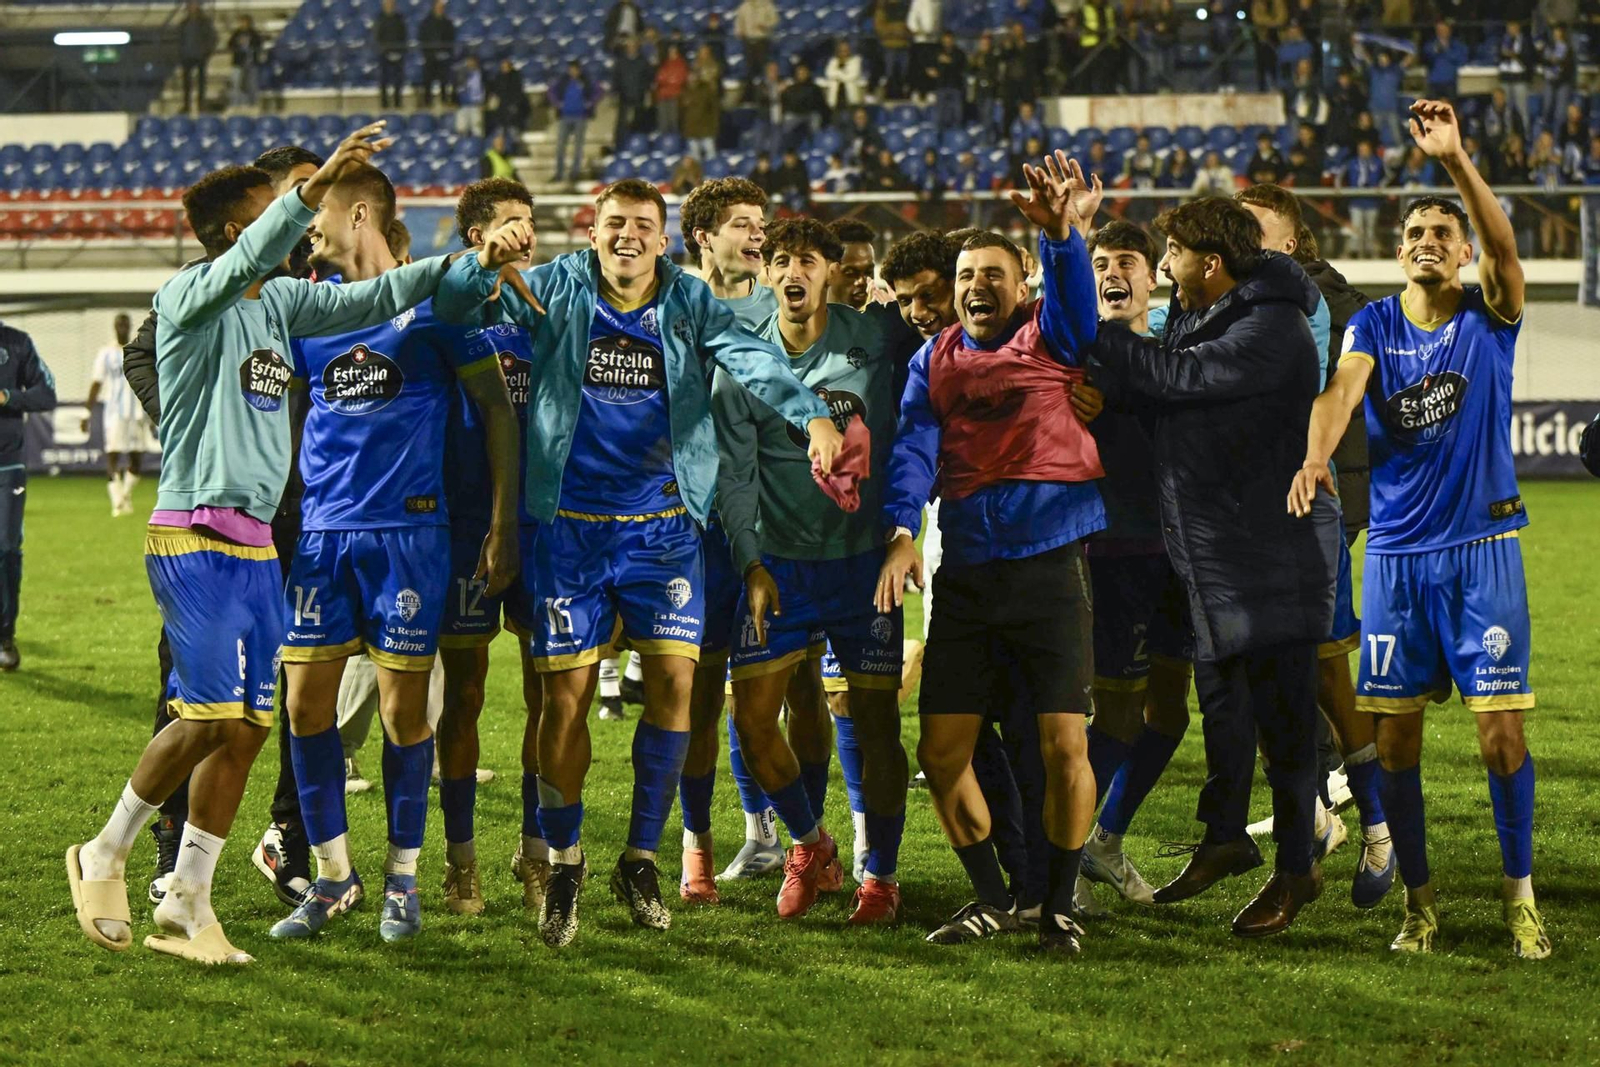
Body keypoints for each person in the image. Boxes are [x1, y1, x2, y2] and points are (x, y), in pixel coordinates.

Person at [64, 123, 505, 966]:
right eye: (277, 211)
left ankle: (189, 902)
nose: (301, 226)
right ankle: (107, 848)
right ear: (241, 230)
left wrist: (470, 264)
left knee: (247, 729)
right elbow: (242, 261)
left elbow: (379, 296)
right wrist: (316, 184)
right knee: (207, 713)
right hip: (194, 533)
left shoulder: (283, 304)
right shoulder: (191, 296)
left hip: (260, 545)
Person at [434, 178, 844, 948]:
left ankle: (642, 859)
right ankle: (563, 863)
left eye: (643, 225)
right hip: (572, 530)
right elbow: (458, 306)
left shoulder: (688, 304)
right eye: (614, 223)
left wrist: (811, 413)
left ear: (664, 240)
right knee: (564, 702)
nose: (628, 235)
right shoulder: (555, 285)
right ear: (592, 232)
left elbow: (754, 359)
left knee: (676, 691)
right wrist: (479, 262)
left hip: (663, 529)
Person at [1289, 100, 1548, 959]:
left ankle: (1520, 898)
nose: (1430, 238)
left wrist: (1456, 163)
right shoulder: (1373, 324)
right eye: (1417, 232)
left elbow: (1509, 251)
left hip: (1483, 554)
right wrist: (1317, 454)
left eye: (1445, 230)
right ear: (1399, 251)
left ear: (1464, 249)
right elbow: (1342, 391)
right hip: (1397, 562)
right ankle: (1421, 904)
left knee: (1501, 736)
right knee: (1395, 742)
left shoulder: (1489, 316)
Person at [268, 162, 521, 943]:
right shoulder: (306, 319)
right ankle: (335, 878)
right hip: (322, 537)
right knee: (304, 706)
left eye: (321, 216)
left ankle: (402, 882)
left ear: (363, 215)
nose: (311, 231)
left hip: (411, 536)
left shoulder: (434, 306)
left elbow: (498, 416)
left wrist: (503, 523)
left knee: (404, 710)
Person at [1091, 196, 1339, 940]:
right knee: (1228, 713)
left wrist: (1103, 339)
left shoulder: (1274, 325)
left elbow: (1178, 380)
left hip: (1268, 560)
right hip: (1212, 560)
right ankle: (1225, 838)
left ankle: (1296, 869)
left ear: (1211, 262)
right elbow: (1168, 398)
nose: (1164, 264)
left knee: (1288, 735)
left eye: (1172, 252)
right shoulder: (1210, 314)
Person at [876, 154, 1102, 954]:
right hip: (966, 574)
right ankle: (994, 899)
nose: (977, 286)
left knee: (1062, 744)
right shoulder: (932, 359)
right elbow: (911, 447)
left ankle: (1063, 904)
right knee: (941, 752)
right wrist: (903, 531)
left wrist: (1064, 237)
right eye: (967, 274)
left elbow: (1078, 302)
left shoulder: (1055, 335)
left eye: (993, 275)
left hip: (1049, 568)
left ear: (1021, 285)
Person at [116, 146, 325, 910]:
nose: (310, 215)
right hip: (210, 513)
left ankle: (286, 835)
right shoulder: (207, 288)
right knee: (195, 690)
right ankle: (169, 852)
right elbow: (146, 352)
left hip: (301, 511)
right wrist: (186, 423)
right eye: (299, 197)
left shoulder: (315, 289)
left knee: (287, 692)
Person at [716, 216, 917, 924]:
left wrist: (904, 528)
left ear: (833, 270)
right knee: (751, 719)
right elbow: (736, 474)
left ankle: (882, 874)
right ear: (766, 273)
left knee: (875, 719)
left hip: (864, 566)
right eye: (780, 260)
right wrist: (751, 563)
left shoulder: (876, 339)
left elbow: (918, 422)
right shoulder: (741, 356)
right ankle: (810, 844)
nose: (793, 271)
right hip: (784, 568)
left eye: (807, 259)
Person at [1234, 184, 1393, 907]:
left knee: (1327, 666)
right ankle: (1319, 817)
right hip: (1251, 510)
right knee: (1259, 671)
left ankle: (1380, 827)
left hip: (1315, 503)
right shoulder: (1238, 294)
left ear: (1292, 240)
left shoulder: (1336, 306)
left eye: (1255, 229)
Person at [1076, 221, 1192, 911]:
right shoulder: (1076, 352)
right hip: (1110, 551)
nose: (1112, 271)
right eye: (1100, 262)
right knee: (1112, 713)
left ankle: (1105, 842)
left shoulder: (1183, 350)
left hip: (1180, 555)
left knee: (1169, 712)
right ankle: (1057, 856)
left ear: (1154, 276)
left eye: (1127, 261)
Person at [674, 177, 785, 886]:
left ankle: (776, 831)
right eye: (741, 223)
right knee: (697, 694)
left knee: (780, 696)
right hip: (689, 527)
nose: (757, 234)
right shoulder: (669, 307)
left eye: (761, 223)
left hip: (773, 526)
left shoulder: (783, 309)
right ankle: (700, 843)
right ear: (703, 236)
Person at [0, 318, 55, 673]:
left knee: (5, 548)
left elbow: (46, 393)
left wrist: (7, 397)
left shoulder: (17, 343)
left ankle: (4, 636)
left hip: (7, 466)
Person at [84, 314, 150, 518]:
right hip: (114, 414)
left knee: (136, 460)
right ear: (114, 327)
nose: (122, 327)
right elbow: (97, 382)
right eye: (119, 324)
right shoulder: (106, 353)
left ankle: (124, 496)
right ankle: (117, 503)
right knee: (112, 455)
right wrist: (87, 412)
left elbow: (149, 381)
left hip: (136, 413)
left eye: (125, 324)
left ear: (130, 327)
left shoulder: (139, 350)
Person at [549, 61, 598, 183]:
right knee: (560, 146)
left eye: (576, 69)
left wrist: (590, 103)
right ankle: (559, 173)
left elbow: (599, 91)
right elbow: (551, 91)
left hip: (580, 117)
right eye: (572, 69)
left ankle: (574, 173)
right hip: (565, 117)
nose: (574, 72)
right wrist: (557, 103)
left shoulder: (585, 81)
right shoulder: (563, 81)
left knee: (578, 147)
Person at [1340, 141, 1385, 258]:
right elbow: (1340, 178)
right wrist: (1340, 188)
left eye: (1365, 149)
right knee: (1357, 228)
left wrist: (1381, 186)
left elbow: (1388, 177)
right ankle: (1355, 253)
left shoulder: (1378, 162)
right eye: (1361, 149)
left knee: (1371, 229)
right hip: (1356, 201)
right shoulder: (1352, 163)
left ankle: (1372, 253)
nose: (1363, 151)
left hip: (1372, 202)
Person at [681, 47, 722, 161]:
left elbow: (713, 108)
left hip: (706, 127)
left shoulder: (706, 89)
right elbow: (682, 111)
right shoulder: (685, 91)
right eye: (690, 75)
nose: (692, 78)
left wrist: (714, 125)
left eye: (694, 75)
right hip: (691, 128)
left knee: (711, 155)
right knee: (695, 158)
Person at [827, 218, 877, 311]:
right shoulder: (806, 322)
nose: (861, 281)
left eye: (868, 272)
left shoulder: (882, 321)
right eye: (850, 273)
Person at [178, 0, 218, 114]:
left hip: (200, 55)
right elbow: (179, 39)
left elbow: (212, 37)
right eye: (190, 5)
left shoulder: (205, 22)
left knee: (201, 82)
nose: (192, 7)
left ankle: (201, 105)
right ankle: (186, 106)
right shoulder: (184, 23)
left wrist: (207, 51)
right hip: (186, 55)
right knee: (186, 83)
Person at [734, 0, 778, 98]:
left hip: (761, 40)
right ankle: (749, 94)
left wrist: (765, 26)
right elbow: (739, 21)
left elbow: (774, 20)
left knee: (762, 66)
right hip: (748, 41)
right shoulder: (744, 6)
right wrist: (740, 31)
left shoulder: (767, 5)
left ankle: (763, 93)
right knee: (749, 68)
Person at [612, 37, 651, 146]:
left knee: (639, 122)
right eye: (629, 46)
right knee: (622, 123)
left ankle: (638, 144)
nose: (631, 48)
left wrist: (644, 90)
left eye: (634, 46)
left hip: (639, 97)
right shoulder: (620, 62)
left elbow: (648, 78)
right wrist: (615, 92)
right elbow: (616, 78)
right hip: (624, 97)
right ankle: (619, 145)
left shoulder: (643, 61)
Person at [418, 0, 457, 107]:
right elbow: (422, 39)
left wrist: (447, 52)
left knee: (444, 80)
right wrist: (429, 53)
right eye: (438, 7)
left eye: (442, 7)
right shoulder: (426, 22)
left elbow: (451, 39)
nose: (440, 9)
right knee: (428, 80)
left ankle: (445, 100)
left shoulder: (447, 22)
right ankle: (427, 102)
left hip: (444, 56)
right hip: (430, 56)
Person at [486, 60, 530, 150]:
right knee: (500, 130)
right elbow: (494, 91)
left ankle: (518, 147)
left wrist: (515, 106)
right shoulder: (499, 78)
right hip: (501, 110)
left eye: (506, 67)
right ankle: (502, 148)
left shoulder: (515, 78)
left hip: (513, 109)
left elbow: (519, 93)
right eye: (503, 67)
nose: (504, 69)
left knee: (514, 131)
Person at [874, 0, 912, 100]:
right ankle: (889, 95)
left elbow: (912, 27)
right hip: (889, 47)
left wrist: (900, 30)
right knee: (890, 74)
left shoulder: (906, 7)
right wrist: (898, 29)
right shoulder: (882, 8)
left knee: (904, 74)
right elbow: (880, 29)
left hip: (904, 46)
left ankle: (902, 96)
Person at [374, 0, 408, 110]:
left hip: (398, 53)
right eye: (387, 4)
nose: (389, 6)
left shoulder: (399, 18)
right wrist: (384, 49)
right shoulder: (380, 19)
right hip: (384, 54)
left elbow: (403, 35)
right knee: (384, 79)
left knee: (398, 80)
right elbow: (377, 37)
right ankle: (384, 103)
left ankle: (398, 102)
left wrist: (400, 50)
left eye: (391, 4)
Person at [227, 16, 264, 109]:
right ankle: (235, 103)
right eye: (242, 22)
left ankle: (252, 103)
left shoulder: (254, 34)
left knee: (252, 84)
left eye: (245, 22)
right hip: (238, 62)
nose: (243, 24)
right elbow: (230, 45)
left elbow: (259, 45)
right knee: (236, 83)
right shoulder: (236, 34)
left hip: (251, 63)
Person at [654, 43, 690, 135]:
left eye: (674, 52)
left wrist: (667, 80)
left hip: (675, 95)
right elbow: (659, 77)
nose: (671, 54)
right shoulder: (664, 63)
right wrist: (668, 79)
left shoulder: (681, 64)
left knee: (674, 120)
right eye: (670, 52)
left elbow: (679, 79)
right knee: (663, 120)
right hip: (662, 95)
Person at [822, 41, 867, 113]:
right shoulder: (833, 61)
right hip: (836, 98)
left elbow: (852, 76)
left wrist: (837, 75)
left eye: (846, 50)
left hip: (850, 97)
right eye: (842, 50)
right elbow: (829, 73)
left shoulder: (855, 60)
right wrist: (844, 74)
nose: (844, 52)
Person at [456, 55, 485, 137]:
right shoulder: (462, 73)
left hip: (476, 104)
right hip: (463, 104)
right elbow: (458, 87)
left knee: (477, 128)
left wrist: (483, 101)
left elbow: (484, 88)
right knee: (462, 128)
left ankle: (478, 144)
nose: (470, 63)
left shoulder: (481, 74)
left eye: (472, 61)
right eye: (469, 61)